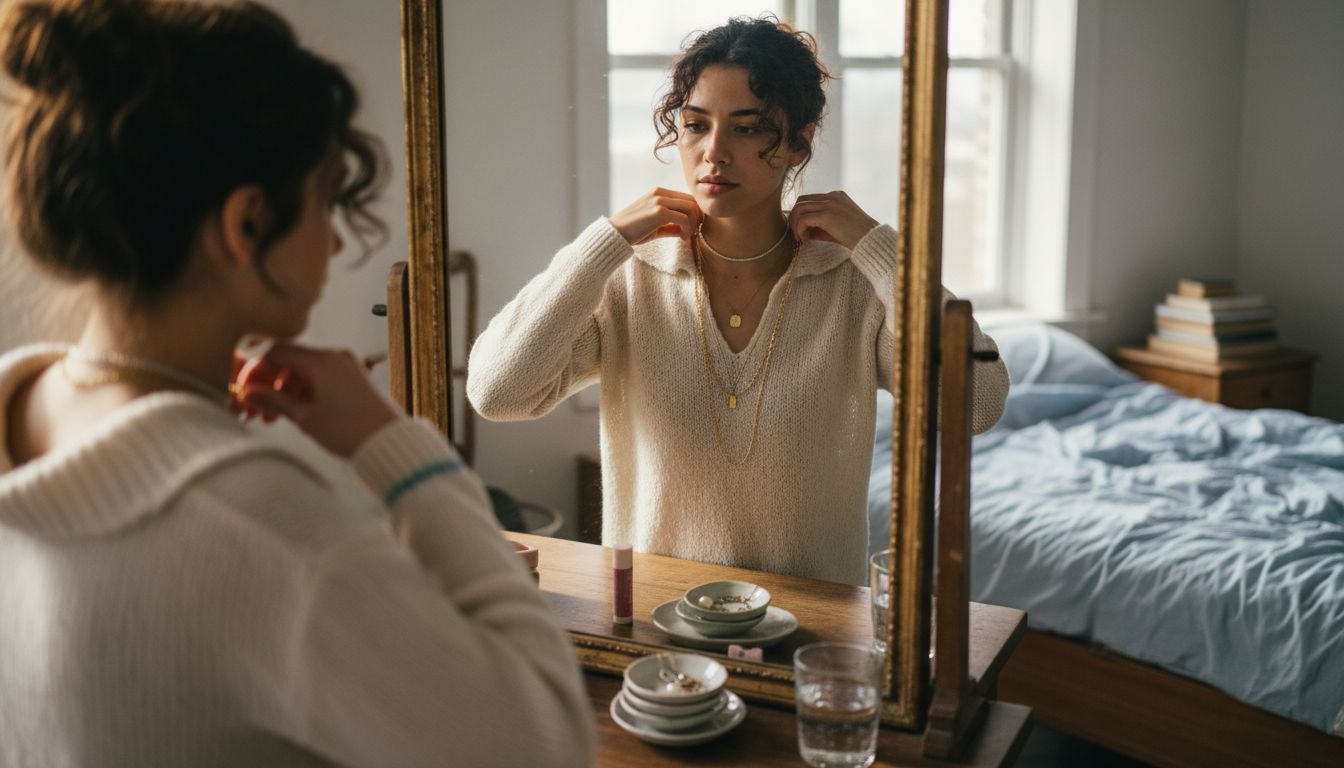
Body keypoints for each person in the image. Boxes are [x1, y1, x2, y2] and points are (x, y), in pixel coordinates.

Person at [0, 1, 594, 766]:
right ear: (247, 224)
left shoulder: (27, 422)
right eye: (325, 202)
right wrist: (398, 447)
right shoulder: (268, 536)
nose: (338, 238)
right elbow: (541, 744)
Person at [468, 17, 1009, 586]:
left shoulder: (854, 283)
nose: (714, 153)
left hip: (811, 630)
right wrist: (603, 243)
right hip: (656, 625)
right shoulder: (630, 277)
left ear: (799, 143)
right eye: (695, 125)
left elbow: (977, 405)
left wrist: (884, 251)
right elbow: (498, 392)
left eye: (748, 129)